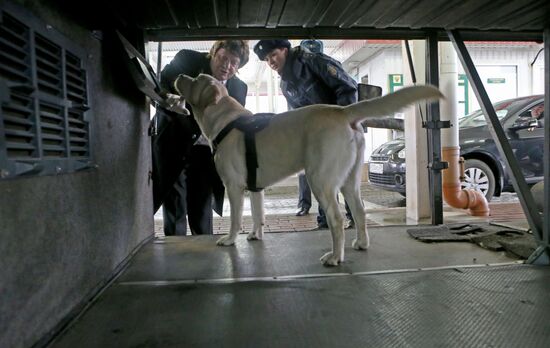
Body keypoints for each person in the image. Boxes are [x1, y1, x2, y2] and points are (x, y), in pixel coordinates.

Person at [253, 39, 357, 229]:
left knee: (346, 181)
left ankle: (356, 221)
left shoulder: (312, 61)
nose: (271, 62)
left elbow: (347, 87)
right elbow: (297, 117)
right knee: (320, 180)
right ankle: (326, 223)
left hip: (339, 132)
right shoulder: (285, 85)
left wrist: (344, 126)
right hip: (317, 139)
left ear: (285, 50)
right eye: (267, 59)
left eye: (273, 55)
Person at [151, 40, 249, 236]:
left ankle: (206, 257)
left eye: (233, 63)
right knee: (175, 205)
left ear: (239, 66)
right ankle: (176, 254)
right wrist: (168, 97)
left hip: (206, 151)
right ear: (213, 53)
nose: (226, 66)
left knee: (202, 207)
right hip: (174, 142)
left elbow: (233, 124)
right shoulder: (187, 60)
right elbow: (159, 82)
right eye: (222, 58)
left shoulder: (239, 88)